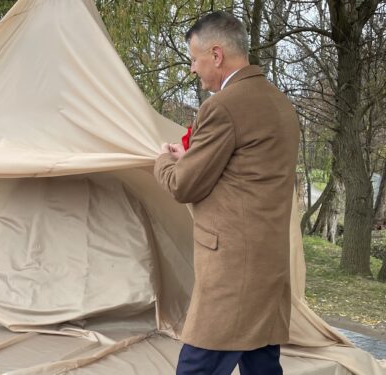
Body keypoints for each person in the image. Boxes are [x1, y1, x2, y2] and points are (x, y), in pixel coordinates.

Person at [153, 11, 300, 375]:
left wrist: (162, 161)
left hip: (233, 274)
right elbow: (244, 175)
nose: (192, 69)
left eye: (194, 59)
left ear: (216, 55)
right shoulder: (280, 104)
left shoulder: (222, 107)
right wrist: (194, 158)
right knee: (262, 365)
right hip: (268, 266)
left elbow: (183, 185)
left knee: (196, 368)